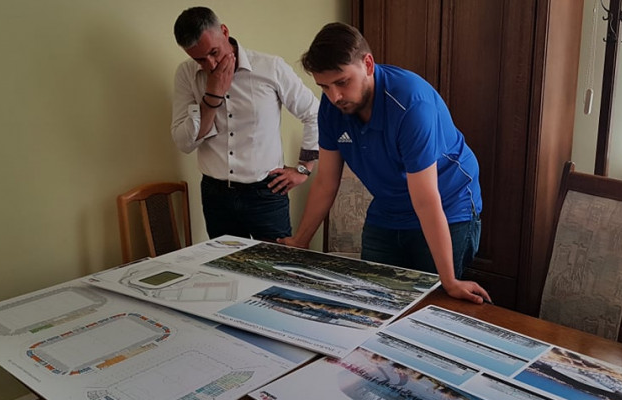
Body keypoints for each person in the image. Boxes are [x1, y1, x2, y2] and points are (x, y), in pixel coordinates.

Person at [279, 22, 491, 305]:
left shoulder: (411, 105)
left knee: (429, 303)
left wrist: (449, 282)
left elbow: (426, 200)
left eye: (342, 82)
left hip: (447, 204)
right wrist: (301, 240)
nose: (334, 96)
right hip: (389, 209)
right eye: (324, 87)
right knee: (372, 300)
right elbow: (326, 182)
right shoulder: (332, 107)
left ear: (368, 64)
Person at [171, 7, 320, 241]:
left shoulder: (271, 67)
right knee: (224, 265)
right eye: (199, 59)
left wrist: (304, 169)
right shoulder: (186, 74)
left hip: (266, 193)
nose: (210, 64)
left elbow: (313, 113)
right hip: (215, 195)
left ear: (224, 31)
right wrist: (212, 96)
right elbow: (184, 143)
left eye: (214, 52)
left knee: (276, 263)